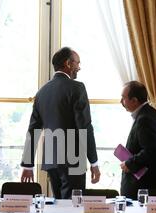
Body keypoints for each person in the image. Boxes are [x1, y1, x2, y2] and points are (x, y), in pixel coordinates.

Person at [20, 47, 101, 200]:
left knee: (58, 209)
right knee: (72, 210)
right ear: (68, 64)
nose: (79, 67)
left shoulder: (42, 92)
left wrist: (27, 164)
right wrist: (94, 162)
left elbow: (33, 130)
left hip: (51, 157)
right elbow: (84, 127)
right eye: (77, 63)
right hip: (72, 158)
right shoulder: (77, 88)